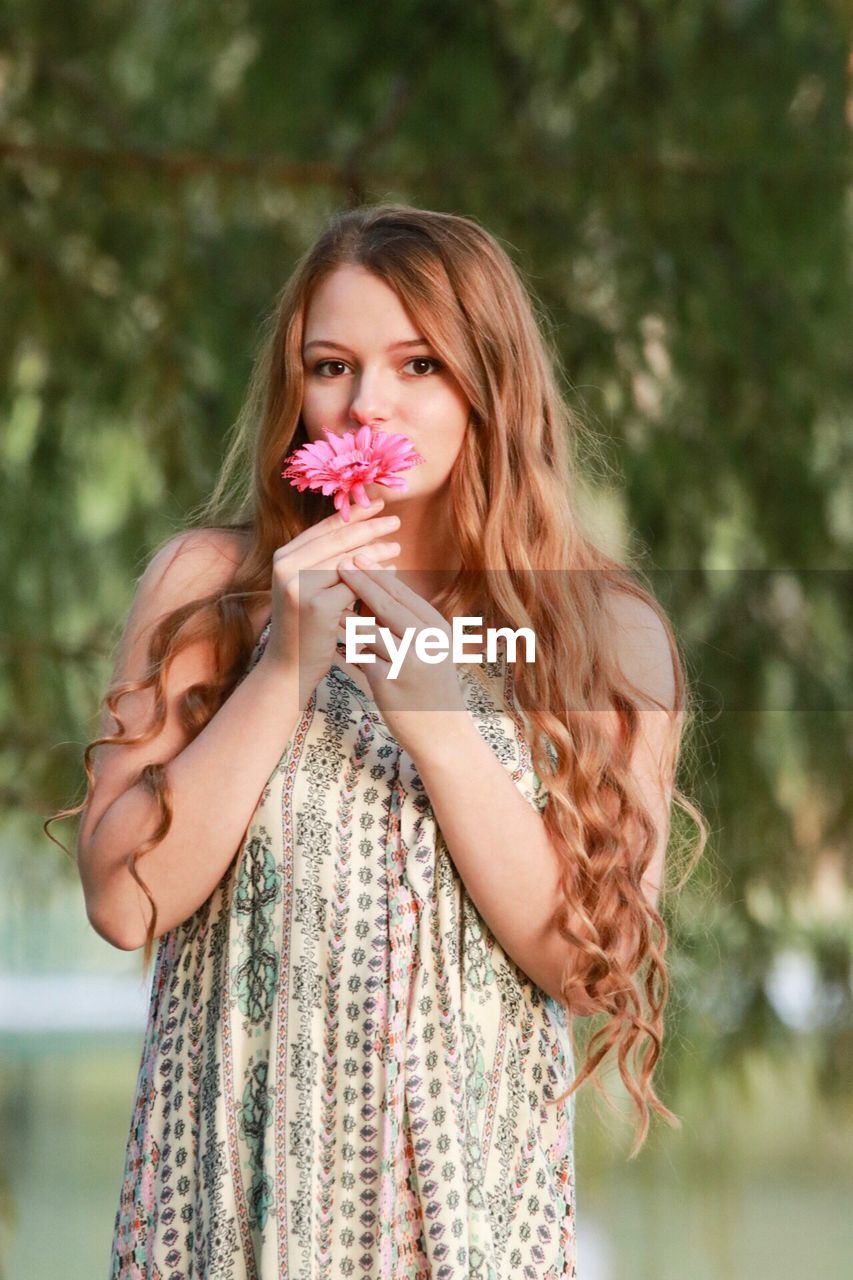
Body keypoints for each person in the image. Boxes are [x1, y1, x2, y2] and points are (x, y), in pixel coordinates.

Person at [48, 203, 705, 1278]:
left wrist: (439, 721)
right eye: (330, 365)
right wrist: (284, 669)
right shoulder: (210, 593)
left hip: (463, 1234)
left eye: (418, 365)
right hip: (227, 1226)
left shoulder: (600, 634)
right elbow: (127, 901)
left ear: (487, 385)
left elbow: (589, 964)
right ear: (294, 389)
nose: (367, 405)